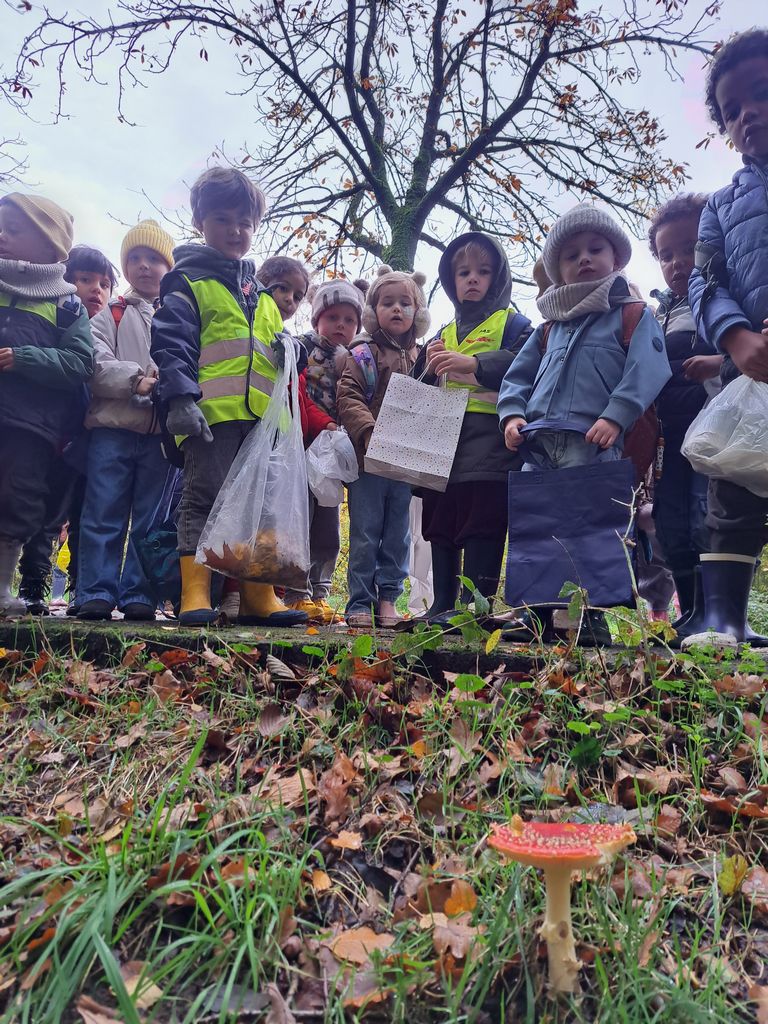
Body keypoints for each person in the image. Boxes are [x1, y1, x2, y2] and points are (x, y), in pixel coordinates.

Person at [497, 203, 671, 643]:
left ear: (617, 258)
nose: (584, 259)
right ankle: (538, 614)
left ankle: (591, 618)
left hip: (592, 441)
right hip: (540, 442)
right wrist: (513, 413)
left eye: (596, 249)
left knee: (592, 527)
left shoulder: (631, 314)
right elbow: (517, 376)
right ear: (557, 269)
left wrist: (616, 415)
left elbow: (647, 369)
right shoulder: (549, 327)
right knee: (540, 525)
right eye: (571, 255)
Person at [150, 166, 307, 627]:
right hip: (210, 415)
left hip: (261, 422)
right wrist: (179, 399)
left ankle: (259, 597)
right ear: (201, 222)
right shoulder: (187, 282)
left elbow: (272, 355)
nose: (236, 231)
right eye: (223, 219)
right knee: (203, 498)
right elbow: (171, 343)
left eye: (245, 222)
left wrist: (288, 351)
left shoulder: (258, 294)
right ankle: (195, 592)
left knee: (259, 504)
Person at [686, 29, 768, 647]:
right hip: (753, 370)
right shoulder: (720, 205)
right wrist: (735, 336)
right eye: (734, 109)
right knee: (733, 486)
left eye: (762, 95)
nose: (749, 114)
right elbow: (704, 279)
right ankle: (723, 620)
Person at [412, 233, 531, 624]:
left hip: (491, 442)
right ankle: (442, 603)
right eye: (463, 273)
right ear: (451, 280)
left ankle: (474, 607)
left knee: (483, 520)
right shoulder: (441, 333)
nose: (473, 280)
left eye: (483, 272)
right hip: (440, 445)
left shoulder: (515, 324)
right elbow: (418, 388)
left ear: (498, 278)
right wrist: (426, 365)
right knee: (440, 520)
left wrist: (475, 364)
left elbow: (527, 363)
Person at [76, 220, 178, 621]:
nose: (144, 266)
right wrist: (137, 380)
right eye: (134, 258)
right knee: (103, 511)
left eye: (154, 258)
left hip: (159, 438)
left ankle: (139, 593)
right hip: (112, 431)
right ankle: (95, 591)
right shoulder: (111, 314)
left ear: (168, 267)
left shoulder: (180, 316)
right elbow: (94, 363)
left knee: (149, 519)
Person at [0, 192, 94, 617]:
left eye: (14, 229)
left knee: (18, 499)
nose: (2, 235)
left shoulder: (66, 305)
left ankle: (2, 588)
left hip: (31, 428)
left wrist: (25, 358)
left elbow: (80, 362)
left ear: (51, 245)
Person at [17, 244, 118, 614]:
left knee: (87, 514)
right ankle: (33, 585)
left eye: (105, 283)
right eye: (85, 279)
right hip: (57, 438)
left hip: (98, 441)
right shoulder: (59, 322)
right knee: (47, 514)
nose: (97, 290)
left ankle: (83, 588)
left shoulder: (112, 331)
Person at [337, 265, 431, 628]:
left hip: (406, 462)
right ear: (372, 311)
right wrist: (368, 431)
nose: (396, 309)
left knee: (398, 534)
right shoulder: (363, 353)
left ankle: (388, 599)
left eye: (405, 303)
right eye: (387, 302)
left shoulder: (425, 356)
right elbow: (348, 395)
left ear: (418, 312)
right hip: (368, 460)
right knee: (365, 531)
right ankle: (360, 600)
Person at [648, 194, 721, 633]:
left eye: (688, 248)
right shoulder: (659, 313)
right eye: (665, 255)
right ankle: (689, 610)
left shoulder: (717, 298)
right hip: (669, 437)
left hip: (713, 432)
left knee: (704, 515)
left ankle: (716, 610)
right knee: (669, 519)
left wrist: (718, 364)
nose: (676, 263)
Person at [285, 276, 369, 623]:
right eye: (333, 317)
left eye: (349, 320)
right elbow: (298, 394)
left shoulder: (357, 358)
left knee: (328, 523)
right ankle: (295, 591)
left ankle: (320, 592)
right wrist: (326, 424)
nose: (341, 325)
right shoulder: (302, 349)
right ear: (316, 318)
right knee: (299, 518)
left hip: (336, 455)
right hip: (304, 445)